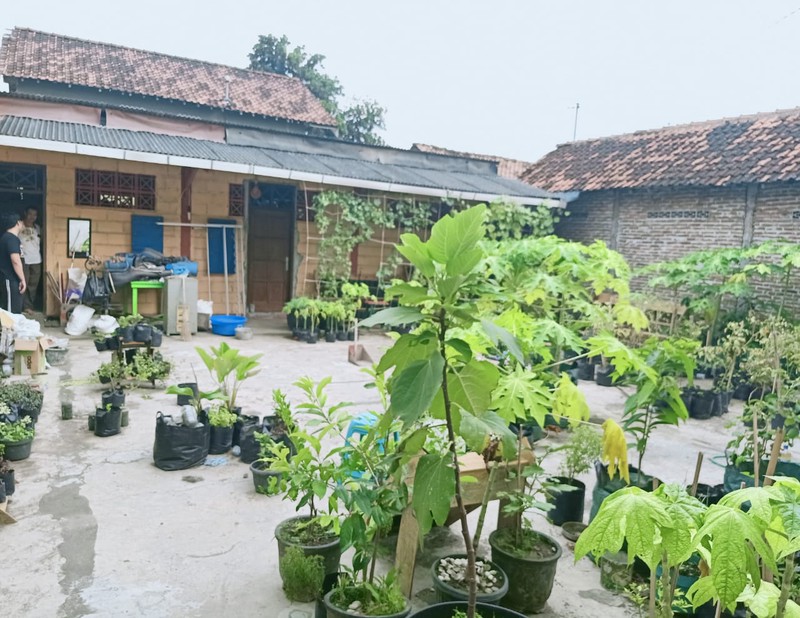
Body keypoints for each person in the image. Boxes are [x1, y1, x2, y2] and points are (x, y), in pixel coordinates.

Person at [0, 212, 26, 314]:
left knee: (13, 307)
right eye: (22, 222)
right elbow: (15, 260)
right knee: (11, 312)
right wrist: (22, 279)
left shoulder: (7, 237)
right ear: (18, 223)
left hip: (10, 279)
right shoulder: (11, 238)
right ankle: (10, 329)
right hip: (9, 279)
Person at [19, 206, 42, 314]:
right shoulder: (19, 226)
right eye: (30, 214)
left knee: (33, 285)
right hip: (23, 260)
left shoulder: (37, 228)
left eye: (34, 215)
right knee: (23, 283)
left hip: (36, 260)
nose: (32, 217)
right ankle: (19, 305)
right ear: (25, 213)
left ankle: (28, 306)